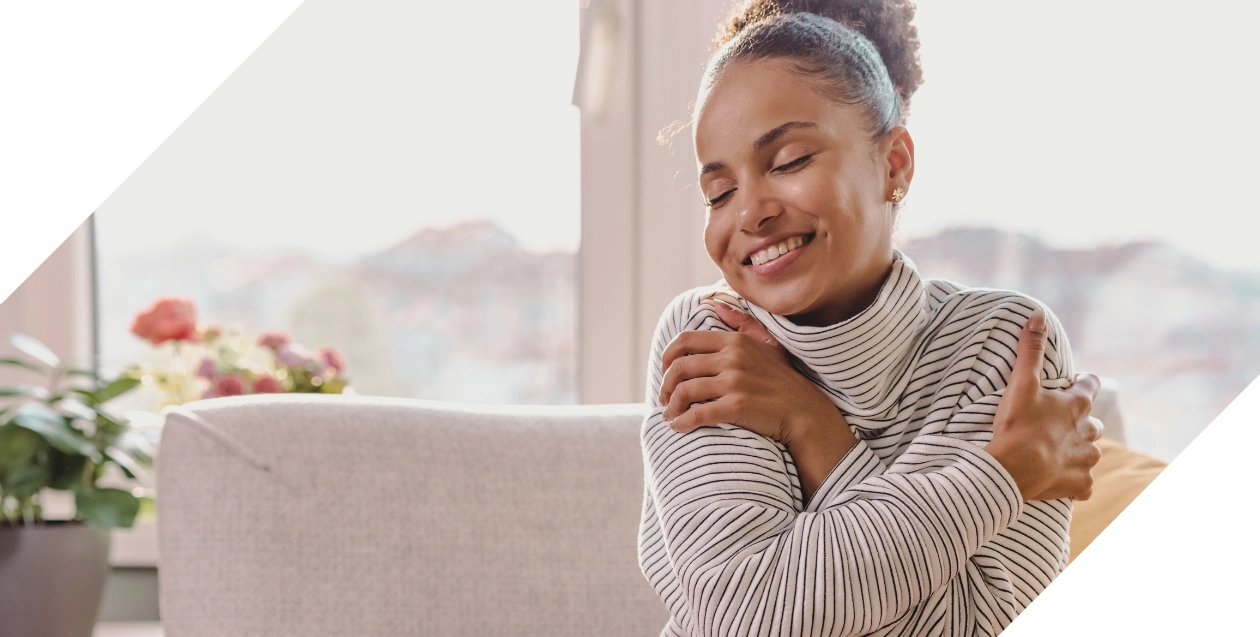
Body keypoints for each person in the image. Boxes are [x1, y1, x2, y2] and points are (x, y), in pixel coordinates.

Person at [636, 1, 1104, 635]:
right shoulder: (708, 337)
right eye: (718, 193)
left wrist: (811, 424)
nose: (748, 214)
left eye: (789, 161)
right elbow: (746, 615)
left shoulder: (1006, 347)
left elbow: (974, 627)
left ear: (895, 164)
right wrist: (1004, 475)